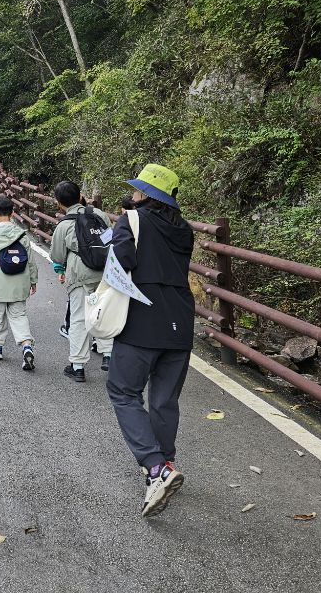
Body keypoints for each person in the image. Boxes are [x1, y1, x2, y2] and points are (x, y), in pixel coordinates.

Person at [105, 164, 195, 517]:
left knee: (123, 392)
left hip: (142, 320)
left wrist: (116, 235)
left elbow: (122, 260)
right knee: (164, 400)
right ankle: (166, 464)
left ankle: (156, 468)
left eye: (137, 188)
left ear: (145, 193)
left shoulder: (130, 220)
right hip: (180, 322)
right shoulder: (184, 230)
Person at [50, 180, 112, 381]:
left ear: (59, 202)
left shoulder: (64, 225)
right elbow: (110, 240)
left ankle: (78, 366)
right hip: (104, 273)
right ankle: (108, 355)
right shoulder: (100, 215)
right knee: (103, 313)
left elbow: (57, 256)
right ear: (80, 197)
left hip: (79, 275)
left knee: (78, 318)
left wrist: (63, 266)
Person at [0, 196, 38, 371]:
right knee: (19, 316)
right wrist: (33, 281)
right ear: (12, 213)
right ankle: (26, 346)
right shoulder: (22, 235)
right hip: (20, 282)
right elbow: (31, 261)